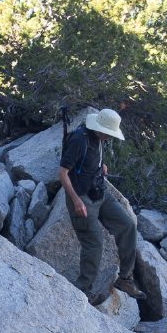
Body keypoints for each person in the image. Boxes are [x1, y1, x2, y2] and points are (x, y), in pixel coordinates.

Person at [58, 108, 147, 306]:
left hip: (100, 192)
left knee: (127, 225)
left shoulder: (99, 138)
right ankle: (83, 290)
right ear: (98, 127)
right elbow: (63, 172)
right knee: (94, 243)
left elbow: (89, 161)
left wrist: (100, 168)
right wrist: (76, 201)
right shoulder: (79, 140)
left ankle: (125, 279)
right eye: (109, 133)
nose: (110, 137)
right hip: (82, 198)